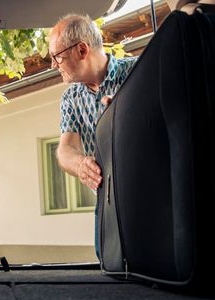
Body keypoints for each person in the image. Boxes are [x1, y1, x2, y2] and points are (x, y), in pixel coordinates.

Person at [49, 14, 138, 259]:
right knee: (109, 269)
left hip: (148, 196)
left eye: (57, 57)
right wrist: (79, 164)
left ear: (81, 49)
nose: (54, 65)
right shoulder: (70, 98)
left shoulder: (138, 72)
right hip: (106, 203)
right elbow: (66, 149)